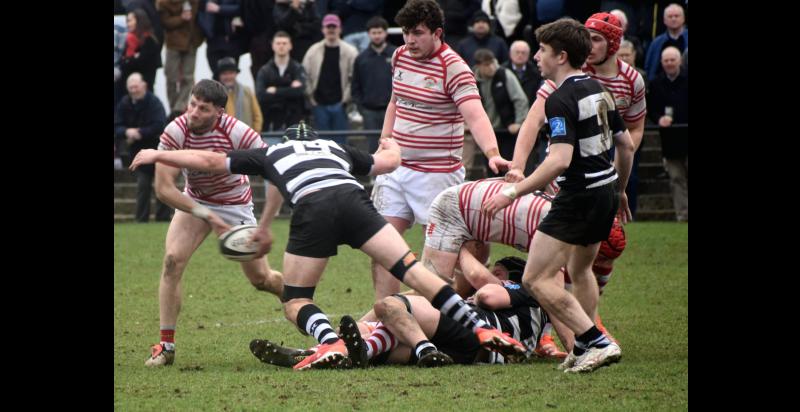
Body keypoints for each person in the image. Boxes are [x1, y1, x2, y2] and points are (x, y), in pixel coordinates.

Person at [130, 122, 526, 371]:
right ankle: (479, 329)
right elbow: (387, 162)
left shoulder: (270, 152)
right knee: (413, 271)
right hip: (355, 202)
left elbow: (209, 160)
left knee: (295, 300)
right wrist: (393, 141)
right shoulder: (337, 150)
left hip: (315, 208)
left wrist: (157, 153)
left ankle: (329, 341)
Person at [481, 17, 634, 373]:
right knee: (581, 271)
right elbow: (625, 147)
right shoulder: (599, 88)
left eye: (543, 50)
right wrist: (621, 189)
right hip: (605, 192)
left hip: (578, 199)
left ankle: (595, 340)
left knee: (535, 279)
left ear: (561, 56)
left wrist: (512, 191)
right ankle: (585, 345)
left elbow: (559, 160)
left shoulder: (560, 99)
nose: (536, 56)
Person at [133, 79, 285, 367]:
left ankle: (288, 294)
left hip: (235, 205)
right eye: (192, 104)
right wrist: (206, 214)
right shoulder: (176, 130)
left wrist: (265, 224)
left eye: (203, 109)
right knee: (171, 261)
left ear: (220, 112)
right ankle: (166, 346)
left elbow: (272, 168)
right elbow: (164, 188)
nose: (194, 112)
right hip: (196, 203)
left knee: (261, 280)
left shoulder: (238, 132)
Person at [370, 0, 510, 301]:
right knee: (381, 247)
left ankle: (497, 301)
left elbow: (475, 114)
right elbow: (395, 102)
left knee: (450, 259)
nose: (409, 40)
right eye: (406, 32)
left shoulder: (454, 68)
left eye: (417, 33)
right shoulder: (399, 56)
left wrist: (492, 152)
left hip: (436, 177)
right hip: (395, 170)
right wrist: (385, 142)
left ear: (437, 33)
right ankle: (385, 324)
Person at [506, 12, 646, 216]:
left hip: (600, 177)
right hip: (563, 175)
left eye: (597, 39)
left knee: (598, 243)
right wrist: (518, 167)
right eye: (587, 38)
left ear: (614, 44)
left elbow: (633, 131)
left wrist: (617, 180)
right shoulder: (569, 70)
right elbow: (533, 121)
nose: (590, 45)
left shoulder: (633, 80)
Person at [114, 73, 172, 222]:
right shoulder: (124, 104)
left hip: (158, 150)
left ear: (144, 86)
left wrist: (140, 132)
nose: (134, 90)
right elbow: (117, 126)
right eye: (131, 87)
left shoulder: (154, 103)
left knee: (162, 186)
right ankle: (141, 219)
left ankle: (163, 218)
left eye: (136, 86)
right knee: (143, 185)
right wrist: (126, 131)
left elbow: (159, 125)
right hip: (138, 153)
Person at [351, 16, 397, 152]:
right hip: (369, 111)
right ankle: (374, 174)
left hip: (393, 110)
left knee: (394, 146)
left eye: (379, 32)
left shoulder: (396, 54)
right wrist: (362, 108)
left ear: (386, 33)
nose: (377, 36)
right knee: (373, 147)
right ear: (368, 34)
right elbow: (355, 85)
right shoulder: (361, 58)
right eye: (373, 33)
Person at [255, 31, 309, 133]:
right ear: (273, 46)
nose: (281, 46)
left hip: (294, 123)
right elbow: (260, 95)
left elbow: (300, 91)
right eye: (278, 43)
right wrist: (289, 88)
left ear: (290, 46)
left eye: (284, 43)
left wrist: (275, 90)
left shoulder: (298, 68)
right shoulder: (265, 70)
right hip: (271, 122)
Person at [157, 0, 205, 115]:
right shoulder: (164, 3)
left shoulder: (195, 2)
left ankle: (179, 108)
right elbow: (165, 22)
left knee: (188, 78)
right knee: (171, 76)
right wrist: (181, 18)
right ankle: (174, 107)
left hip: (191, 43)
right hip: (173, 44)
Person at [120, 8, 163, 91]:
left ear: (139, 21)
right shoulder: (129, 39)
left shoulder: (149, 41)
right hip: (126, 87)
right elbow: (123, 63)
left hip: (143, 88)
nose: (128, 24)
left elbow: (142, 63)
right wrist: (133, 58)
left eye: (130, 21)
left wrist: (129, 60)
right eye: (127, 21)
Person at [218, 57, 263, 133]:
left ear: (236, 74)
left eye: (231, 73)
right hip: (224, 139)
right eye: (225, 74)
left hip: (247, 138)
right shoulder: (215, 95)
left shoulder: (247, 91)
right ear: (220, 76)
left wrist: (254, 133)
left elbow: (257, 116)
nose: (228, 77)